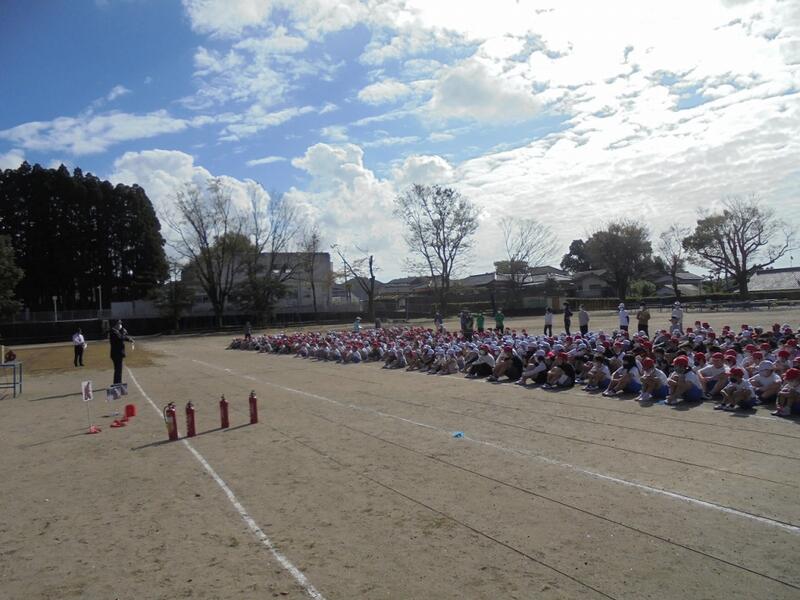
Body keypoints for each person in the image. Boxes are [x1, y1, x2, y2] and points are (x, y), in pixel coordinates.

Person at [109, 320, 133, 385]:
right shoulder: (113, 332)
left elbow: (122, 337)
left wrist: (129, 339)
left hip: (118, 353)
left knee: (118, 370)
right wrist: (124, 333)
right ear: (116, 324)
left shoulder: (116, 331)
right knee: (118, 370)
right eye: (119, 323)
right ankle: (117, 383)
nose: (120, 325)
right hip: (116, 354)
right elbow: (120, 338)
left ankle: (118, 382)